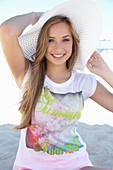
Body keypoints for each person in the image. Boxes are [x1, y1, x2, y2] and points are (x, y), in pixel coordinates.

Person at [0, 0, 113, 169]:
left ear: (74, 43)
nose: (58, 47)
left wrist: (106, 72)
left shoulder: (84, 82)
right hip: (32, 166)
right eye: (50, 40)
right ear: (42, 43)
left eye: (65, 39)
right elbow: (7, 30)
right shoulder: (28, 75)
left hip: (77, 163)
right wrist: (37, 17)